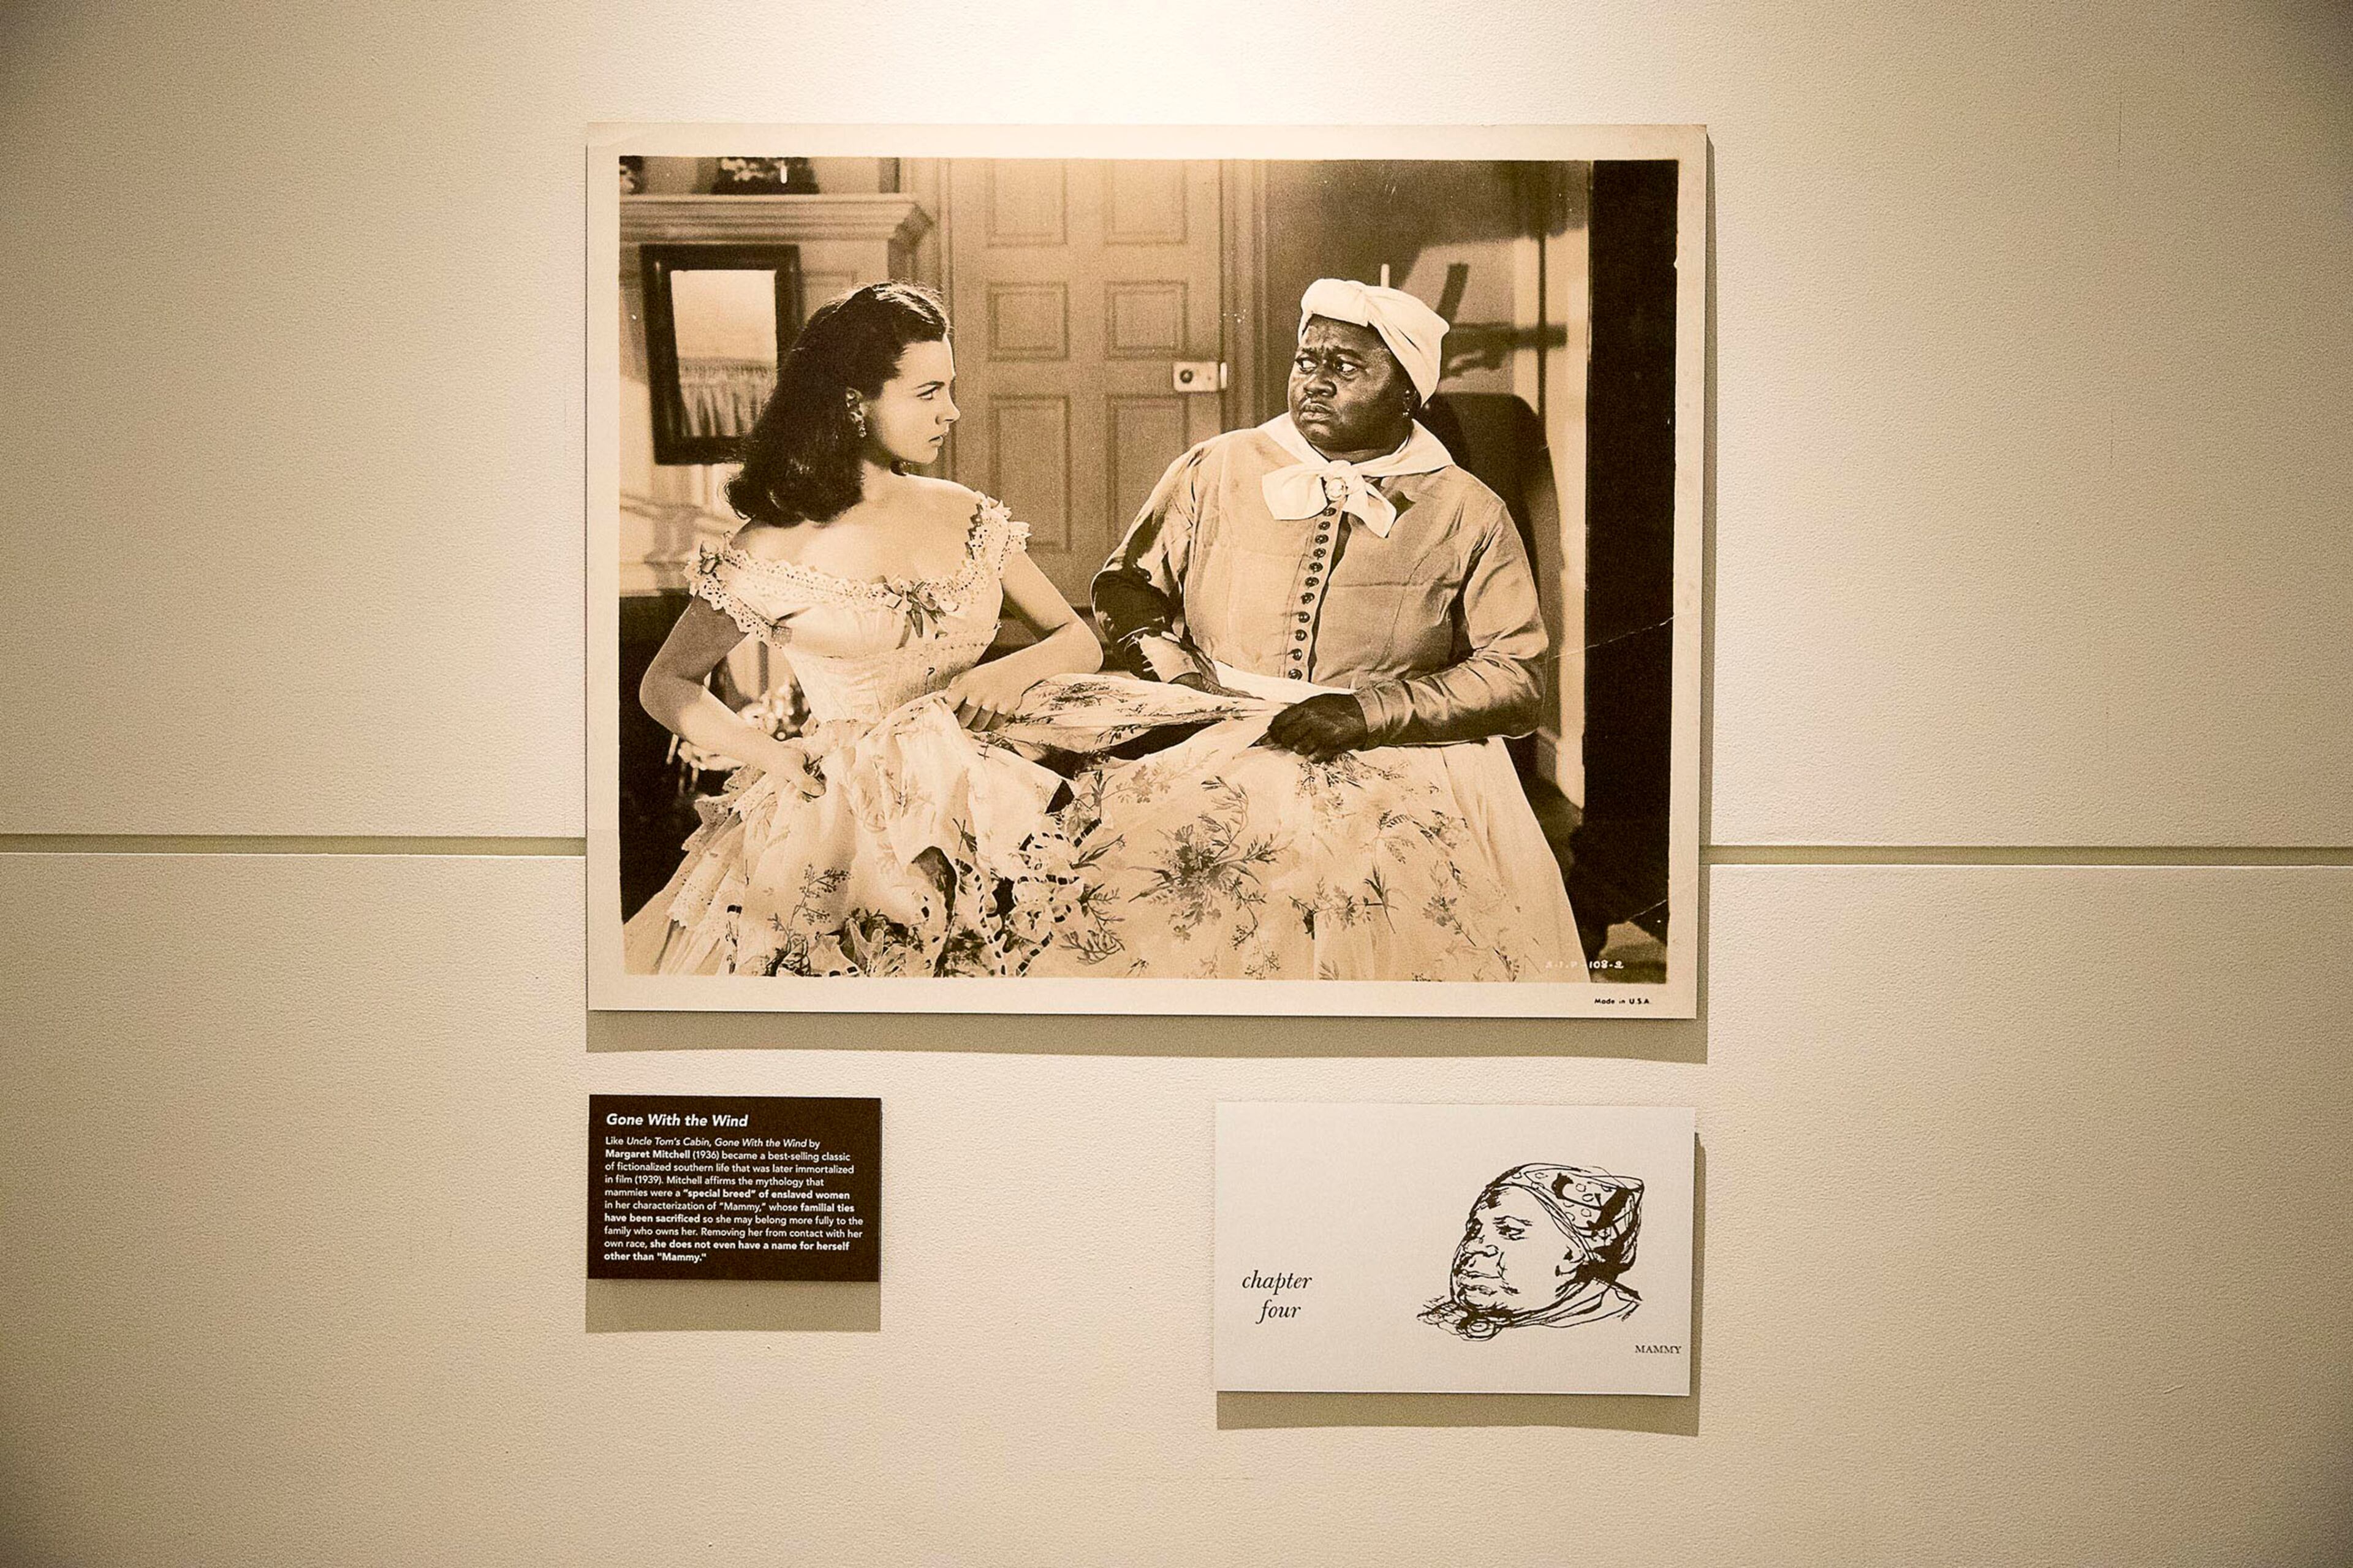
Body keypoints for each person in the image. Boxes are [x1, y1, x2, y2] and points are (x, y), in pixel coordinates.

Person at [1026, 277, 1587, 982]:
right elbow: (1126, 585)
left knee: (1364, 893)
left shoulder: (1468, 509)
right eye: (1306, 360)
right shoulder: (1219, 466)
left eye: (1346, 368)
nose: (1315, 383)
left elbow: (1515, 682)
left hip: (1390, 743)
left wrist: (1368, 711)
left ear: (1409, 391)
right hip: (1212, 716)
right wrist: (1174, 671)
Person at [623, 282, 1102, 977]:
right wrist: (771, 754)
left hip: (1000, 788)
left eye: (950, 389)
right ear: (857, 400)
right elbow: (664, 683)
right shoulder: (770, 548)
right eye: (928, 392)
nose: (953, 412)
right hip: (846, 817)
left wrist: (1007, 670)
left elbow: (1076, 638)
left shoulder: (966, 512)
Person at [1420, 1163, 1643, 1339]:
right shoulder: (1438, 1323)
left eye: (1510, 1231)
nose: (1472, 1246)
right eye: (1474, 1230)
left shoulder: (1619, 1325)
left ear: (1572, 1256)